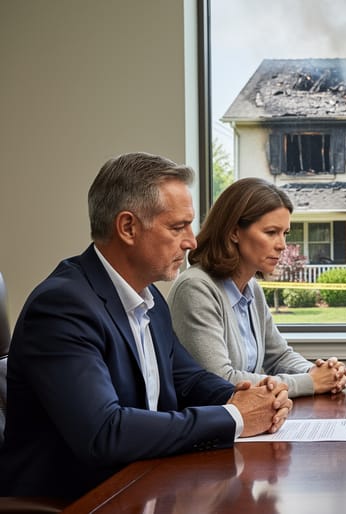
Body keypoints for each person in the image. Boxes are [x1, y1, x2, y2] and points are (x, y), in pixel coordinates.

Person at [0, 152, 292, 500]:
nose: (191, 241)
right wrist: (235, 417)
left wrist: (248, 398)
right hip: (81, 499)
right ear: (127, 227)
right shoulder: (62, 307)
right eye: (177, 226)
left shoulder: (148, 297)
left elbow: (188, 378)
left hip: (144, 484)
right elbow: (104, 433)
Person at [168, 177, 346, 397]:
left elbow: (279, 356)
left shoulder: (251, 288)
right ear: (234, 232)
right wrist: (310, 382)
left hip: (248, 421)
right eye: (271, 232)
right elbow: (220, 379)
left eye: (285, 233)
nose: (282, 244)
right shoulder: (195, 289)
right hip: (211, 425)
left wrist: (319, 372)